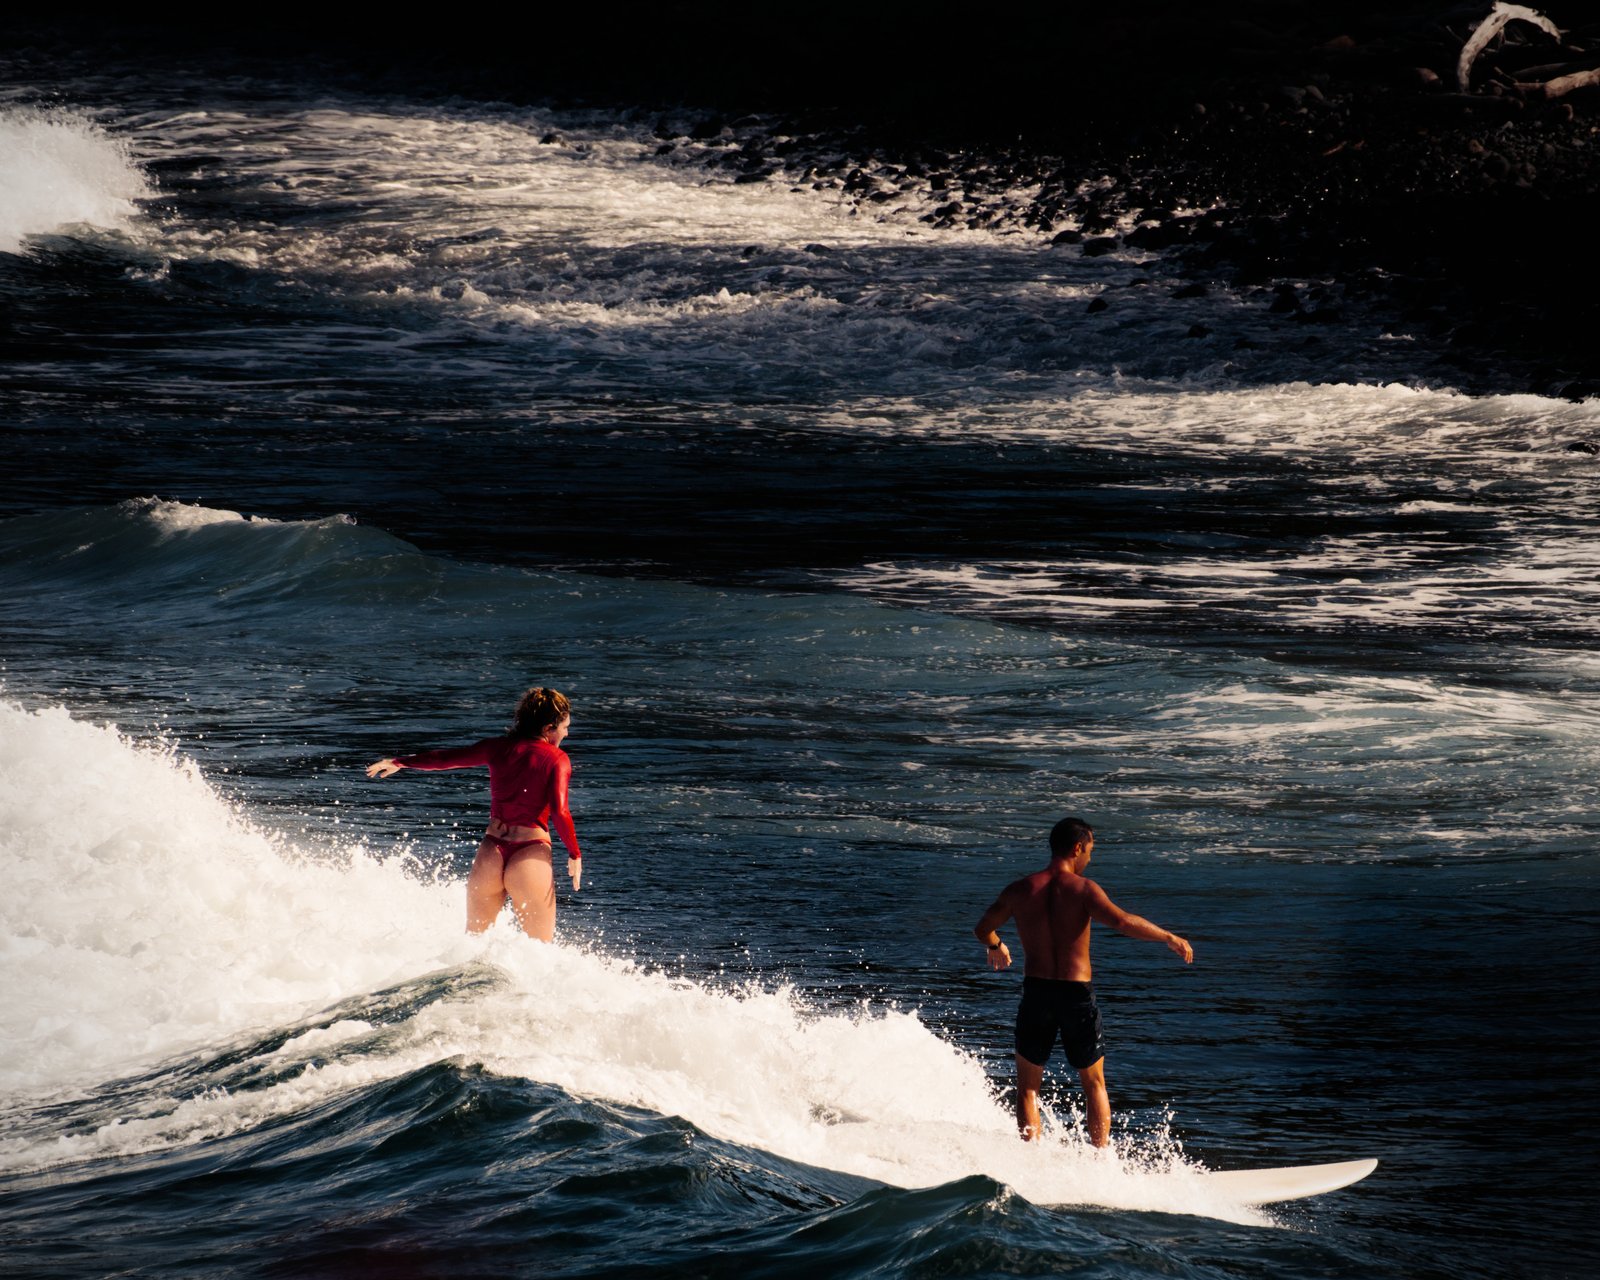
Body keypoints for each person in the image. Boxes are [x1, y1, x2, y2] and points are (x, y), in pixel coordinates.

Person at [973, 816, 1192, 1147]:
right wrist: (1168, 937)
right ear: (1078, 848)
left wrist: (996, 946)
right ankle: (1100, 1161)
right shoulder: (1084, 889)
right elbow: (1122, 921)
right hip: (1076, 994)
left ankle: (1029, 1158)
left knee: (1028, 1087)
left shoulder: (1020, 889)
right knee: (1094, 1083)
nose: (1090, 858)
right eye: (1090, 850)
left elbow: (982, 928)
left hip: (1037, 992)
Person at [366, 686, 582, 941]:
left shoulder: (497, 748)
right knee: (541, 950)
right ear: (548, 728)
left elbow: (446, 759)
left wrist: (399, 762)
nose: (566, 732)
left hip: (491, 853)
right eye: (564, 727)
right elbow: (560, 811)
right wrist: (574, 854)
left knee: (473, 947)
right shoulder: (557, 759)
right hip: (529, 853)